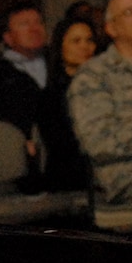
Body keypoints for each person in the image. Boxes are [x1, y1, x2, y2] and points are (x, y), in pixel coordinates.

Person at [68, 0, 132, 209]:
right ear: (111, 28)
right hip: (130, 176)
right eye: (130, 12)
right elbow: (99, 142)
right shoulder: (94, 76)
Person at [37, 15, 102, 191]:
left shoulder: (107, 88)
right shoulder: (50, 96)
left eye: (89, 40)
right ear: (60, 47)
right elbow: (62, 147)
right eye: (76, 41)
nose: (85, 46)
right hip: (71, 179)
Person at [0, 1, 51, 88]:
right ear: (8, 37)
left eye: (39, 22)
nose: (35, 29)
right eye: (24, 24)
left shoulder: (58, 61)